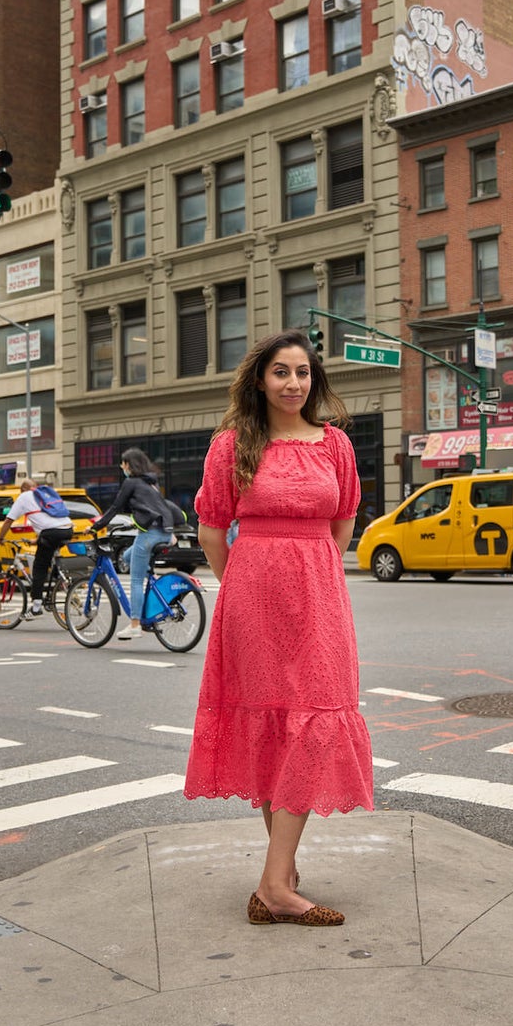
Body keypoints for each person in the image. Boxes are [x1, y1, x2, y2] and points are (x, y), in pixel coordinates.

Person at [185, 330, 373, 927]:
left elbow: (342, 526)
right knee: (267, 723)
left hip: (319, 594)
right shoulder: (231, 446)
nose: (294, 384)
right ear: (259, 380)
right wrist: (242, 581)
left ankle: (275, 877)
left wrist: (309, 564)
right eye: (281, 373)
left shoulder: (335, 445)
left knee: (316, 718)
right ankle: (279, 882)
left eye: (303, 373)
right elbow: (212, 530)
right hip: (252, 598)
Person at [91, 448, 172, 641]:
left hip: (148, 534)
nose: (121, 467)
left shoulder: (131, 482)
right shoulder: (151, 482)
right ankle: (149, 598)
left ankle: (135, 624)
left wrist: (97, 526)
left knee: (135, 580)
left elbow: (115, 506)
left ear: (129, 465)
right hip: (164, 533)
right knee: (127, 556)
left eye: (123, 463)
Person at [0, 476, 75, 614]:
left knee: (39, 567)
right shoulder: (44, 495)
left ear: (23, 489)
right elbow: (47, 521)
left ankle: (36, 607)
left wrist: (0, 538)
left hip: (51, 533)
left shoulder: (24, 496)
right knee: (48, 557)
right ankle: (61, 583)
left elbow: (8, 520)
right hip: (68, 529)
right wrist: (36, 540)